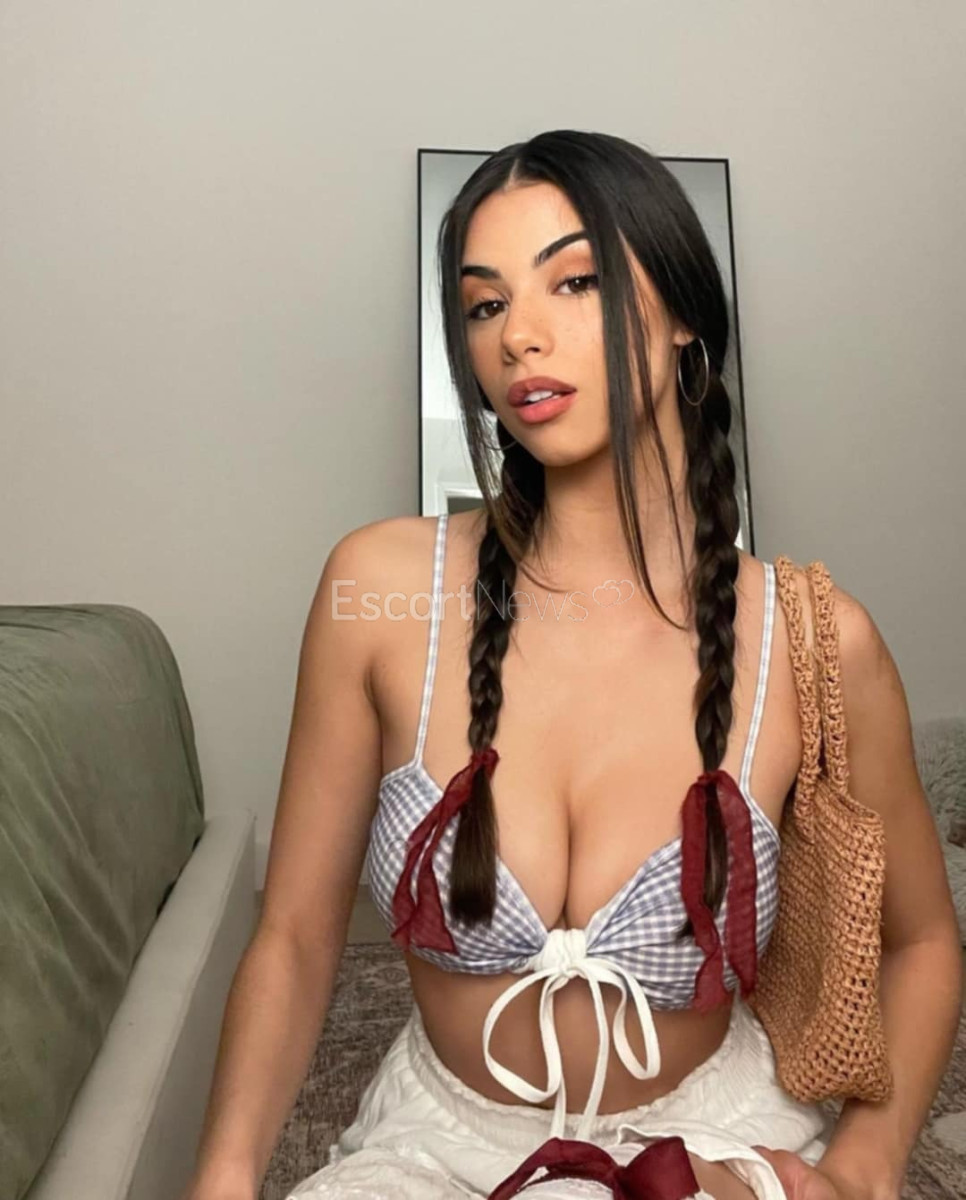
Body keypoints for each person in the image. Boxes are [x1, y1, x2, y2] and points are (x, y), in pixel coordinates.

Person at [182, 131, 962, 1200]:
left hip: (708, 1150)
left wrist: (866, 1163)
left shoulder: (811, 639)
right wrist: (222, 1178)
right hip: (434, 1146)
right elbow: (294, 936)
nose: (518, 337)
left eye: (576, 281)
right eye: (485, 304)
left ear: (684, 313)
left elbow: (922, 942)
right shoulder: (379, 591)